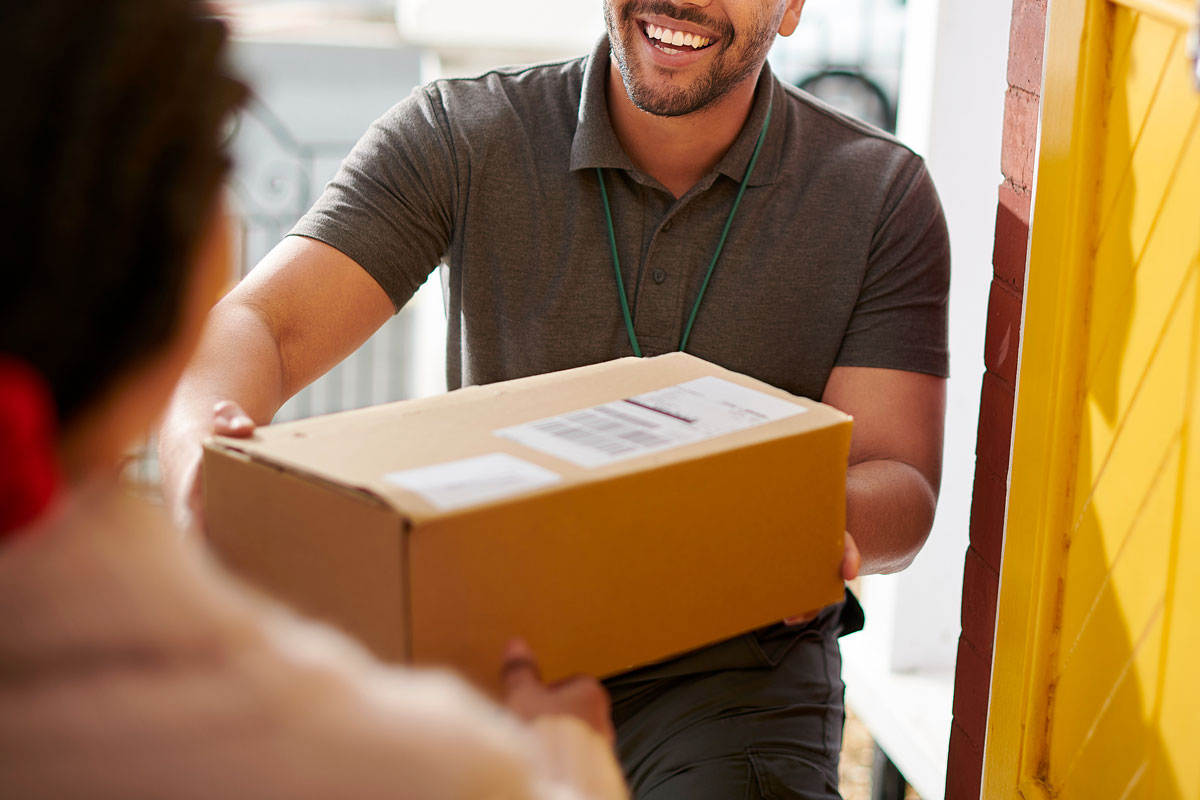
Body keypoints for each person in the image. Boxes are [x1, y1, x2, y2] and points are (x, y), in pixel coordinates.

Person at [160, 0, 950, 796]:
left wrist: (795, 521)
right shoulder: (463, 132)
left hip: (735, 676)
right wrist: (201, 449)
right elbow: (263, 323)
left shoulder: (878, 191)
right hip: (489, 650)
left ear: (792, 9)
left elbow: (901, 483)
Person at [0, 2, 628, 797]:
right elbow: (263, 322)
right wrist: (570, 755)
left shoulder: (840, 175)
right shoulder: (423, 766)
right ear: (193, 255)